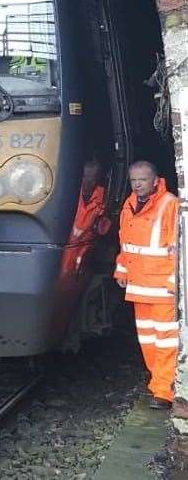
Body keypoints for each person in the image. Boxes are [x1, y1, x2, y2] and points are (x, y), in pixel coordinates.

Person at [114, 160, 180, 409]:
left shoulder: (169, 204)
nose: (138, 184)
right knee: (149, 342)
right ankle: (159, 383)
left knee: (166, 342)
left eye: (142, 180)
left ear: (155, 180)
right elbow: (125, 243)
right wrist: (121, 269)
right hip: (139, 288)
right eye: (134, 180)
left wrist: (175, 282)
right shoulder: (129, 205)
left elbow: (178, 246)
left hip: (163, 289)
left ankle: (165, 392)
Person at [71, 159, 108, 243]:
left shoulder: (103, 196)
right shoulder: (71, 191)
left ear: (98, 178)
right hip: (66, 240)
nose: (89, 180)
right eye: (86, 176)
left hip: (85, 243)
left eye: (93, 177)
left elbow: (102, 221)